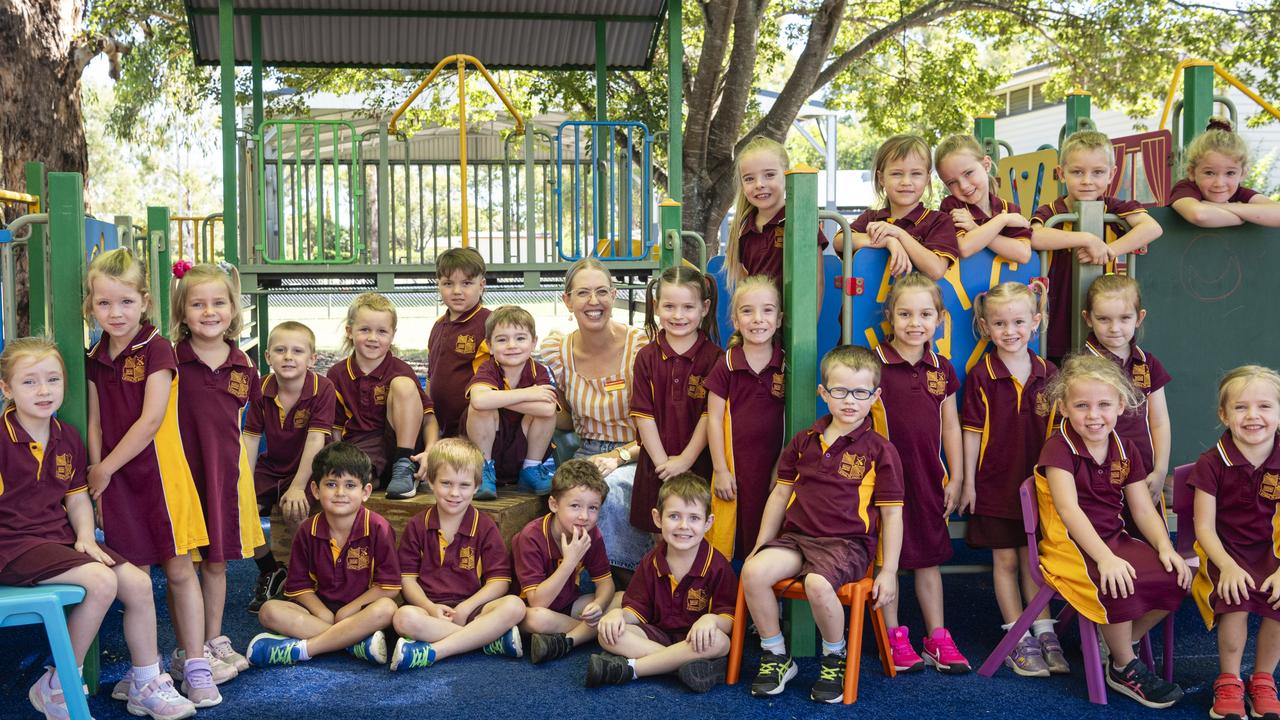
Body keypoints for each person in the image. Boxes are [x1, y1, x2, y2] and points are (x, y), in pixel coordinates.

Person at [0, 338, 197, 720]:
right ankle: (59, 685)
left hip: (56, 541)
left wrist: (86, 537)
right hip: (11, 545)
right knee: (101, 581)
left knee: (139, 584)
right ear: (6, 388)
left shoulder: (67, 436)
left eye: (52, 380)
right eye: (29, 382)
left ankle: (145, 682)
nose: (43, 391)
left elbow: (76, 499)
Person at [84, 248, 217, 706]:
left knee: (180, 569)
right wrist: (98, 477)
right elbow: (96, 421)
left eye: (124, 302)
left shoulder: (158, 348)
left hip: (162, 476)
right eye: (104, 303)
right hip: (118, 480)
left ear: (143, 301)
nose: (115, 313)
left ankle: (196, 663)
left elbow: (151, 420)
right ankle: (150, 670)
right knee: (135, 576)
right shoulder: (96, 355)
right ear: (91, 306)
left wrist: (104, 467)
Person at [742, 345, 904, 703]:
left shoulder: (880, 450)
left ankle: (835, 657)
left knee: (817, 584)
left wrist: (888, 570)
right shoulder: (803, 441)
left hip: (847, 545)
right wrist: (761, 543)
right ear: (823, 393)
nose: (850, 401)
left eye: (861, 392)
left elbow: (892, 514)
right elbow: (780, 497)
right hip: (797, 539)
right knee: (753, 572)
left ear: (875, 396)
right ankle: (776, 654)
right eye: (840, 391)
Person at [1035, 355, 1189, 709]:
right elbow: (1069, 512)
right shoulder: (1059, 448)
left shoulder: (1125, 448)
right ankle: (1122, 666)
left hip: (1113, 540)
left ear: (1121, 405)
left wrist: (1165, 546)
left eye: (1104, 404)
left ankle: (1120, 644)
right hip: (1070, 547)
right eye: (1082, 405)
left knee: (1178, 576)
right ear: (1063, 407)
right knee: (1118, 580)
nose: (1093, 415)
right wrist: (1105, 559)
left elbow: (1140, 507)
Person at [959, 282, 1064, 677]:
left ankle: (1044, 629)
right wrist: (968, 482)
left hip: (1037, 487)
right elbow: (970, 432)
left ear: (1035, 322)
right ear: (986, 327)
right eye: (1000, 323)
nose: (1010, 331)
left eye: (1019, 321)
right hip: (994, 485)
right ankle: (1017, 636)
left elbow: (1058, 437)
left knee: (1034, 562)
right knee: (1004, 560)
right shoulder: (981, 374)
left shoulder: (1049, 373)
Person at [171, 262, 264, 685]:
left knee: (217, 563)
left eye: (218, 303)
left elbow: (245, 423)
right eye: (198, 304)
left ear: (233, 309)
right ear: (182, 312)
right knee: (181, 564)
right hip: (182, 476)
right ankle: (186, 647)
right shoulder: (170, 360)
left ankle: (214, 638)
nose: (209, 312)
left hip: (222, 476)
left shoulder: (244, 365)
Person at [873, 272, 969, 674]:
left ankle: (938, 637)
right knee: (887, 560)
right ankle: (894, 636)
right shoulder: (873, 364)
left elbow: (952, 427)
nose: (915, 322)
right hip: (883, 485)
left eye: (925, 314)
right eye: (906, 314)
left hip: (930, 480)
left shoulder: (941, 369)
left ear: (940, 318)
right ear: (890, 317)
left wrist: (959, 477)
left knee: (929, 560)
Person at [538, 258, 650, 570]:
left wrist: (618, 457)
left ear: (614, 296)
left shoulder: (638, 346)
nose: (593, 301)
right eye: (583, 293)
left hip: (635, 452)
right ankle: (570, 583)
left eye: (602, 292)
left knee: (606, 494)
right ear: (567, 300)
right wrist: (533, 403)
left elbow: (656, 424)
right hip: (585, 451)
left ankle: (619, 578)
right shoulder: (557, 350)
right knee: (567, 498)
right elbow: (565, 418)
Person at [246, 442, 400, 667]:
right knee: (268, 611)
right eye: (331, 484)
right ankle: (355, 644)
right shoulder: (307, 530)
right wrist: (323, 612)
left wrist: (350, 610)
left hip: (361, 614)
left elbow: (389, 587)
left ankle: (303, 650)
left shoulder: (378, 527)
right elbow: (298, 587)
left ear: (365, 492)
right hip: (319, 614)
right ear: (316, 490)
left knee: (387, 609)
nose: (340, 493)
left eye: (350, 485)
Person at [587, 473, 736, 694]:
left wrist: (711, 619)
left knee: (720, 642)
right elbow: (636, 609)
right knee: (607, 634)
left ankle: (632, 669)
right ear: (658, 518)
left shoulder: (717, 566)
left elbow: (731, 618)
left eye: (694, 518)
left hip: (696, 641)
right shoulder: (650, 562)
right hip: (662, 637)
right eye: (674, 516)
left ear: (708, 522)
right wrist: (618, 615)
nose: (684, 526)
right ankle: (680, 667)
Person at [389, 438, 527, 670]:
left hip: (474, 610)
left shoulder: (484, 526)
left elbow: (499, 582)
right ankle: (485, 640)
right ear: (431, 482)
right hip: (431, 612)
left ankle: (434, 651)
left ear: (476, 486)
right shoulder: (417, 525)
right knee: (403, 618)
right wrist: (430, 608)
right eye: (446, 483)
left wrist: (465, 608)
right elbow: (407, 579)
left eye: (464, 485)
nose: (455, 493)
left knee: (515, 606)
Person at [1190, 365, 1280, 720]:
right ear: (1224, 415)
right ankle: (1228, 679)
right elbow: (1204, 528)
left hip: (1272, 552)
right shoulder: (1212, 463)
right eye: (1241, 407)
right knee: (1235, 596)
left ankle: (1263, 679)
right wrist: (1226, 566)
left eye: (1265, 406)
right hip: (1225, 552)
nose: (1253, 416)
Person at [1031, 130, 1162, 361]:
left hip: (1104, 315)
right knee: (1057, 363)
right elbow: (1034, 236)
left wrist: (1109, 250)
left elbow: (1152, 228)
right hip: (1059, 308)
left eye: (1098, 172)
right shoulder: (1050, 212)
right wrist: (1087, 239)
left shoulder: (1115, 208)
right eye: (1077, 172)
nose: (1087, 181)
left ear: (1112, 174)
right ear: (1061, 174)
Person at [243, 321, 336, 613]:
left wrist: (298, 486)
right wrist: (242, 485)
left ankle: (303, 576)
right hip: (272, 468)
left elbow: (315, 440)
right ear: (268, 357)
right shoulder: (261, 389)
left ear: (312, 358)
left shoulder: (322, 388)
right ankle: (271, 570)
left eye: (297, 351)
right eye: (280, 350)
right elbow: (251, 439)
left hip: (310, 467)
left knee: (298, 512)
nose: (288, 357)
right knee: (238, 511)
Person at [630, 265, 723, 533]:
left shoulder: (715, 358)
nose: (678, 316)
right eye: (669, 306)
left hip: (699, 464)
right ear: (656, 305)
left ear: (704, 308)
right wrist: (663, 465)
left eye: (688, 307)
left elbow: (710, 415)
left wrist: (684, 461)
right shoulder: (646, 357)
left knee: (698, 529)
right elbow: (642, 414)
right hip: (656, 467)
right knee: (661, 535)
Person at [705, 275, 786, 560]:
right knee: (731, 539)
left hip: (770, 470)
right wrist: (721, 470)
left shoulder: (786, 365)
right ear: (736, 320)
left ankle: (761, 600)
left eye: (767, 310)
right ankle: (730, 599)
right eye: (747, 311)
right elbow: (713, 419)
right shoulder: (726, 364)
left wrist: (781, 468)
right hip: (734, 469)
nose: (757, 319)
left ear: (779, 319)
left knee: (766, 535)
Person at [327, 292, 437, 499]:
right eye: (365, 330)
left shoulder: (401, 369)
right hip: (362, 446)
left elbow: (429, 419)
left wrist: (430, 452)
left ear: (392, 335)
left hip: (400, 443)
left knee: (403, 385)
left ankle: (404, 466)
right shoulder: (338, 374)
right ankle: (375, 479)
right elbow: (334, 428)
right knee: (345, 477)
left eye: (381, 331)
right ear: (349, 331)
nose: (373, 338)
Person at [513, 459, 617, 664]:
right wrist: (570, 561)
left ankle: (569, 640)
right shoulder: (531, 537)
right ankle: (596, 632)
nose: (584, 516)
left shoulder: (592, 534)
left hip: (567, 606)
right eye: (575, 506)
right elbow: (538, 602)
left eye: (593, 508)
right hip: (531, 611)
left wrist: (598, 604)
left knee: (621, 600)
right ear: (554, 504)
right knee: (538, 618)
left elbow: (606, 583)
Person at [1081, 275, 1171, 511]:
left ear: (1139, 318)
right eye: (1103, 319)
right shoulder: (1081, 367)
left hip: (1144, 472)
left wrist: (1161, 469)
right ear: (1088, 318)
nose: (1114, 328)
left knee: (1150, 536)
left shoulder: (1148, 364)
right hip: (1096, 476)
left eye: (1125, 318)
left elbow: (1159, 422)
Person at [462, 305, 557, 499]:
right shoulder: (488, 368)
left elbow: (548, 409)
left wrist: (498, 398)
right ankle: (484, 469)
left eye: (520, 338)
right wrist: (528, 393)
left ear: (533, 342)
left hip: (521, 447)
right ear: (489, 344)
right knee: (480, 410)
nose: (512, 345)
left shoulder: (538, 370)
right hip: (490, 444)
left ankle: (531, 468)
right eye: (502, 339)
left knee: (546, 412)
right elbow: (479, 401)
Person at [835, 134, 960, 280]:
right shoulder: (871, 218)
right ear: (881, 178)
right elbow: (839, 241)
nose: (906, 181)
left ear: (927, 178)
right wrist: (888, 241)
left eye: (916, 174)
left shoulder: (938, 221)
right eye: (896, 174)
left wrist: (899, 234)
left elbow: (936, 270)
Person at [722, 135, 827, 304]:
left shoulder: (800, 221)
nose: (759, 184)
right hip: (757, 325)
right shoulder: (743, 230)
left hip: (792, 324)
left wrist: (804, 329)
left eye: (769, 175)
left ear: (786, 176)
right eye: (749, 179)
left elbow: (816, 283)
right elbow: (744, 287)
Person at [933, 133, 1034, 263]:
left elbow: (1023, 254)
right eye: (952, 182)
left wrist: (974, 228)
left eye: (968, 173)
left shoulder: (1009, 209)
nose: (963, 186)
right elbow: (965, 248)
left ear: (986, 165)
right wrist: (1003, 220)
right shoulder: (952, 205)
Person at [1168, 116, 1280, 228]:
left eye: (1230, 173)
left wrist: (1224, 207)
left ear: (1243, 174)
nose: (1219, 183)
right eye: (1209, 173)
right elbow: (1199, 215)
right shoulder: (1185, 188)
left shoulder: (1239, 193)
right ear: (1191, 173)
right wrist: (1242, 218)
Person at [428, 247, 492, 438]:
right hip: (442, 425)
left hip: (475, 424)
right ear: (438, 285)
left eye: (466, 283)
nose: (457, 291)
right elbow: (432, 376)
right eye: (448, 283)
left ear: (481, 285)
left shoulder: (489, 323)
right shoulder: (438, 326)